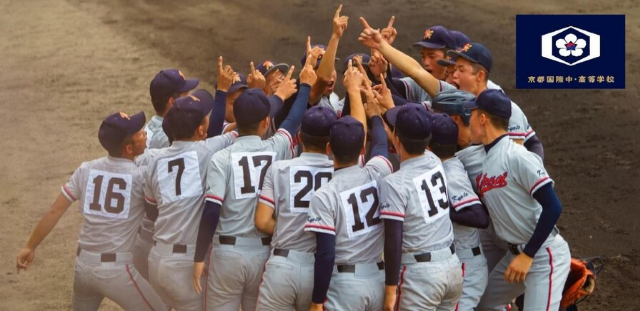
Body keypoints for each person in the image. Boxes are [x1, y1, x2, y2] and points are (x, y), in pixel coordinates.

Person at [192, 53, 318, 311]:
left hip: (226, 255)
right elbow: (293, 121)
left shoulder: (221, 157)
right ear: (265, 123)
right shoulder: (277, 148)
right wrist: (304, 86)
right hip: (263, 254)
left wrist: (198, 257)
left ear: (235, 120)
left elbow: (212, 211)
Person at [16, 111, 167, 311]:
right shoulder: (140, 177)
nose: (144, 134)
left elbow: (55, 211)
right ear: (129, 148)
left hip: (83, 267)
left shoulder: (86, 169)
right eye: (139, 133)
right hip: (116, 271)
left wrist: (30, 246)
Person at [357, 17, 545, 160]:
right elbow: (417, 72)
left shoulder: (503, 107)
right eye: (454, 69)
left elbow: (523, 153)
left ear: (479, 76)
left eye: (460, 70)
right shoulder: (454, 94)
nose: (453, 75)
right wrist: (381, 46)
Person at [463, 89, 571, 310]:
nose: (468, 121)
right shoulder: (486, 158)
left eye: (471, 115)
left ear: (482, 119)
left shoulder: (518, 156)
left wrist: (528, 255)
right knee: (483, 304)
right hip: (516, 257)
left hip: (542, 254)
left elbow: (553, 207)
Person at [143, 83, 237, 310]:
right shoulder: (208, 150)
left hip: (156, 261)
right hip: (185, 266)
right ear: (201, 130)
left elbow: (151, 210)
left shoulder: (154, 159)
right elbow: (243, 129)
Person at [304, 95, 393, 311]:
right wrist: (375, 116)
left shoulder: (325, 194)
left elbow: (326, 253)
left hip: (344, 287)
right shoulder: (377, 172)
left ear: (328, 149)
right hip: (378, 279)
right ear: (363, 150)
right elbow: (381, 144)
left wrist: (317, 300)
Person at [379, 104, 462, 311]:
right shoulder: (434, 160)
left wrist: (391, 289)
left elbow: (393, 240)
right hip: (452, 267)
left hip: (421, 279)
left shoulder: (394, 183)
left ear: (396, 138)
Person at [253, 106, 337, 311]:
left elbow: (263, 221)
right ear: (330, 145)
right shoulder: (339, 173)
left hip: (283, 265)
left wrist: (292, 227)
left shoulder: (279, 168)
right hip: (323, 271)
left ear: (299, 137)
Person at [429, 112, 490, 310]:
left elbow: (479, 217)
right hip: (461, 259)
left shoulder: (451, 173)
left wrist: (440, 209)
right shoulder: (444, 166)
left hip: (467, 263)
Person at [147, 69, 200, 148]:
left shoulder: (149, 127)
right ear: (172, 101)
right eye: (186, 94)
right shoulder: (170, 138)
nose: (190, 97)